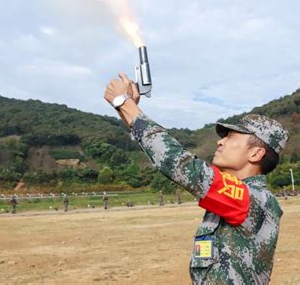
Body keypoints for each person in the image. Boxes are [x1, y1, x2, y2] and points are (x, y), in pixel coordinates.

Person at [104, 74, 289, 284]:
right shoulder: (233, 196)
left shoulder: (253, 198)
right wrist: (125, 110)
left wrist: (124, 103)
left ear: (255, 154)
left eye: (231, 137)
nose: (220, 142)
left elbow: (180, 164)